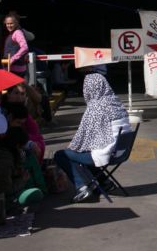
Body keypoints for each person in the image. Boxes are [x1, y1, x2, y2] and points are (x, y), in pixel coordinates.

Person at [54, 72, 130, 203]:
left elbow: (83, 136)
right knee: (87, 150)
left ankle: (82, 188)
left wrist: (71, 149)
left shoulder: (96, 106)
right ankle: (104, 182)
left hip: (108, 155)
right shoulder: (116, 102)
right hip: (121, 152)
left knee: (62, 155)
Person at [2, 13, 29, 82]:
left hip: (16, 69)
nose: (9, 25)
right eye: (7, 24)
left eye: (11, 23)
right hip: (12, 68)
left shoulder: (17, 33)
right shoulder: (12, 33)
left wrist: (12, 59)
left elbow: (24, 47)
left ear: (16, 23)